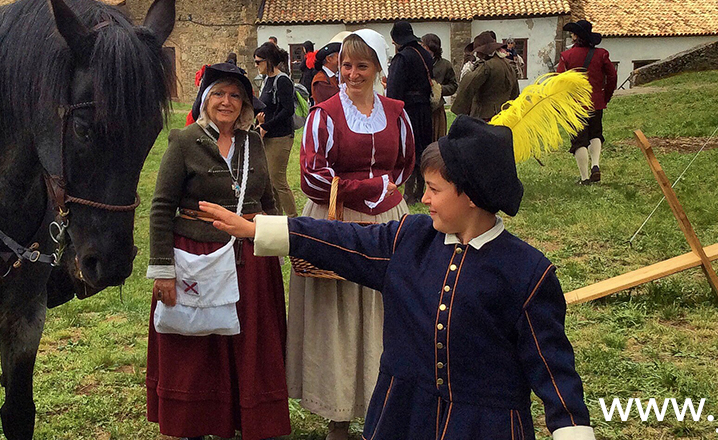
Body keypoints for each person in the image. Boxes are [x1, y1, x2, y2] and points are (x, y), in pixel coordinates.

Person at [199, 116, 596, 440]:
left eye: (435, 190)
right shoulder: (410, 239)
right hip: (401, 417)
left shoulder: (526, 272)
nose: (424, 199)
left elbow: (553, 371)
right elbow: (339, 238)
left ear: (471, 195)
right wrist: (258, 231)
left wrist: (572, 430)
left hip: (484, 427)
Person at [145, 62, 290, 440]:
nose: (226, 102)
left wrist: (281, 245)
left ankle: (250, 420)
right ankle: (196, 423)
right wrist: (162, 269)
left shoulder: (252, 142)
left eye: (235, 95)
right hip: (197, 257)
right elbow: (161, 206)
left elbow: (269, 200)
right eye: (219, 94)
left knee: (250, 345)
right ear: (205, 99)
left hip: (251, 263)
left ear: (244, 104)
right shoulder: (184, 141)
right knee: (199, 346)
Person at [294, 29, 414, 440]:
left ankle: (382, 405)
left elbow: (404, 163)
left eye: (362, 65)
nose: (352, 73)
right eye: (346, 65)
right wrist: (365, 189)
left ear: (379, 68)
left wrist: (386, 193)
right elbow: (312, 173)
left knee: (386, 311)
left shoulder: (396, 112)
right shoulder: (324, 114)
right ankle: (339, 415)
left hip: (387, 219)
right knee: (341, 318)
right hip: (336, 217)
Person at [556, 20, 617, 185]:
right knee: (595, 134)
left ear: (576, 36)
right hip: (596, 103)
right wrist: (606, 96)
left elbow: (559, 82)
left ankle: (584, 178)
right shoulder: (601, 54)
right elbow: (612, 76)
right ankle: (595, 165)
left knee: (579, 141)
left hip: (575, 105)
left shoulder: (567, 56)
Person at [387, 21, 435, 204]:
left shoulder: (402, 58)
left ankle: (409, 193)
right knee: (423, 148)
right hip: (424, 109)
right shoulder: (425, 54)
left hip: (408, 110)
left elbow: (394, 90)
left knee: (408, 148)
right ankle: (422, 189)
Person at [254, 41, 299, 217]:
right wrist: (260, 119)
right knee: (270, 181)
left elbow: (288, 110)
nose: (256, 66)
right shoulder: (267, 80)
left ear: (269, 61)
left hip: (281, 136)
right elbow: (267, 106)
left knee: (277, 179)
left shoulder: (282, 81)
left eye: (259, 62)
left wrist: (266, 125)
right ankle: (277, 218)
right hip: (268, 134)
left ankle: (293, 219)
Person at [451, 31, 519, 120]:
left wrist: (460, 110)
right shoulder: (509, 65)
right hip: (505, 115)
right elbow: (515, 93)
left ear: (483, 52)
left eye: (478, 52)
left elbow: (468, 85)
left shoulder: (486, 66)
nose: (478, 55)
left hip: (485, 115)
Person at [422, 33, 458, 139]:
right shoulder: (418, 62)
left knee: (437, 139)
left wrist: (439, 89)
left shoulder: (445, 65)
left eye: (424, 45)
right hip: (421, 107)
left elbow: (453, 85)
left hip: (437, 109)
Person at [310, 37, 343, 104]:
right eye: (339, 56)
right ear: (329, 59)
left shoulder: (335, 76)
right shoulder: (320, 80)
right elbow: (337, 100)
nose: (342, 59)